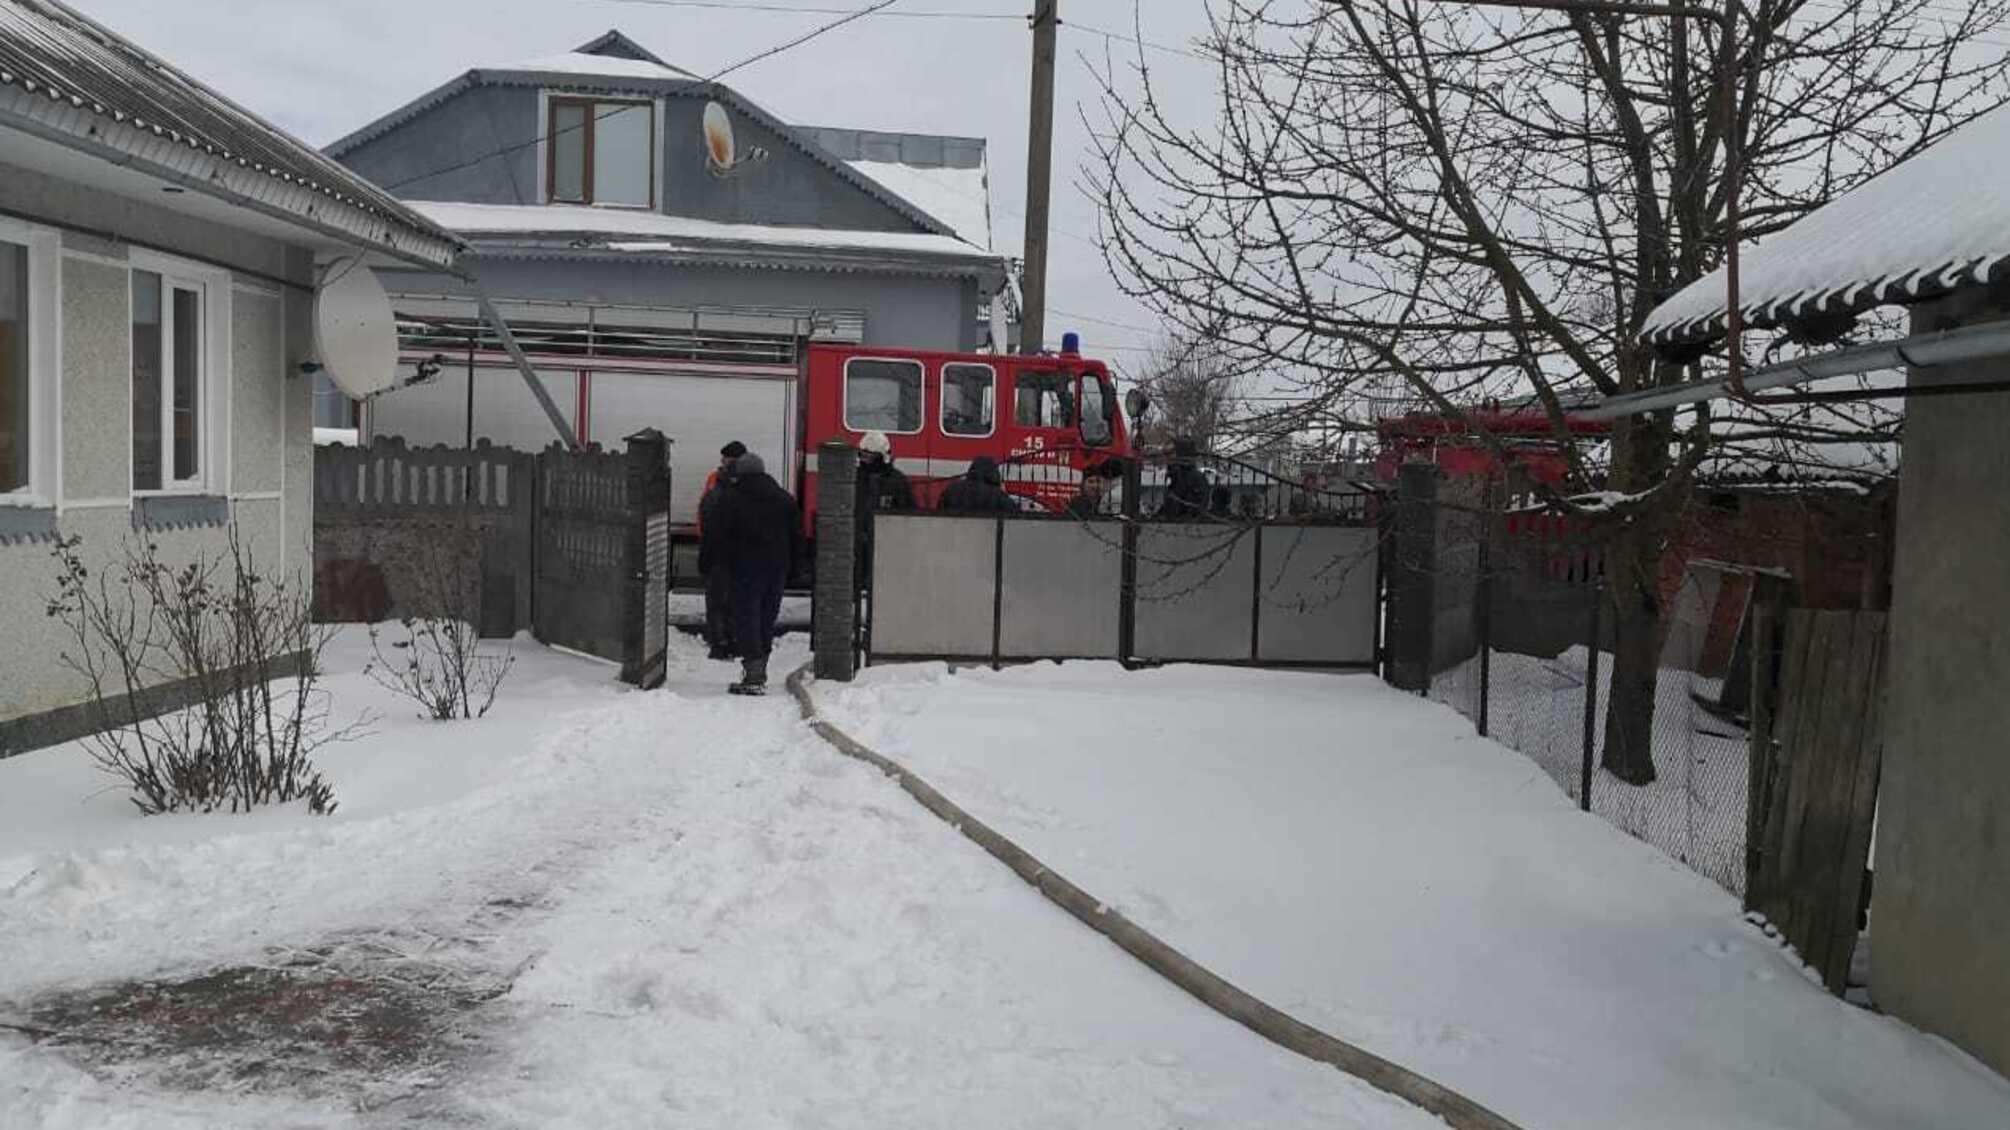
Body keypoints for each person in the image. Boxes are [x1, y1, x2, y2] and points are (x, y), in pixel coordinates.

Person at [705, 451, 803, 695]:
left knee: (746, 618)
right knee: (766, 619)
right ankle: (760, 668)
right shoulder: (784, 499)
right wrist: (796, 568)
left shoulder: (731, 498)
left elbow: (716, 535)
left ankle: (754, 673)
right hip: (776, 569)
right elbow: (797, 537)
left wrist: (709, 564)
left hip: (744, 570)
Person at [696, 441, 746, 661]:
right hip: (735, 552)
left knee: (718, 600)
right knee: (733, 599)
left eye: (727, 458)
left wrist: (705, 540)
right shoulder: (721, 479)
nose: (724, 461)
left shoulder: (716, 481)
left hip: (719, 551)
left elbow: (704, 513)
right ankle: (730, 641)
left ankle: (721, 643)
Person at [856, 431, 915, 514]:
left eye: (870, 457)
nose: (865, 461)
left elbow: (909, 510)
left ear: (881, 458)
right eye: (862, 455)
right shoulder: (855, 477)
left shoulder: (897, 481)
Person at [936, 456, 1017, 513]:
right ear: (994, 474)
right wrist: (1004, 493)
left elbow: (939, 513)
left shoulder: (952, 489)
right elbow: (1014, 518)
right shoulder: (998, 496)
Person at [1158, 438, 1210, 519]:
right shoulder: (1175, 477)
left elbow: (1195, 509)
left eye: (1170, 453)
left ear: (1181, 454)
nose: (1166, 458)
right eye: (1164, 454)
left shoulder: (1194, 478)